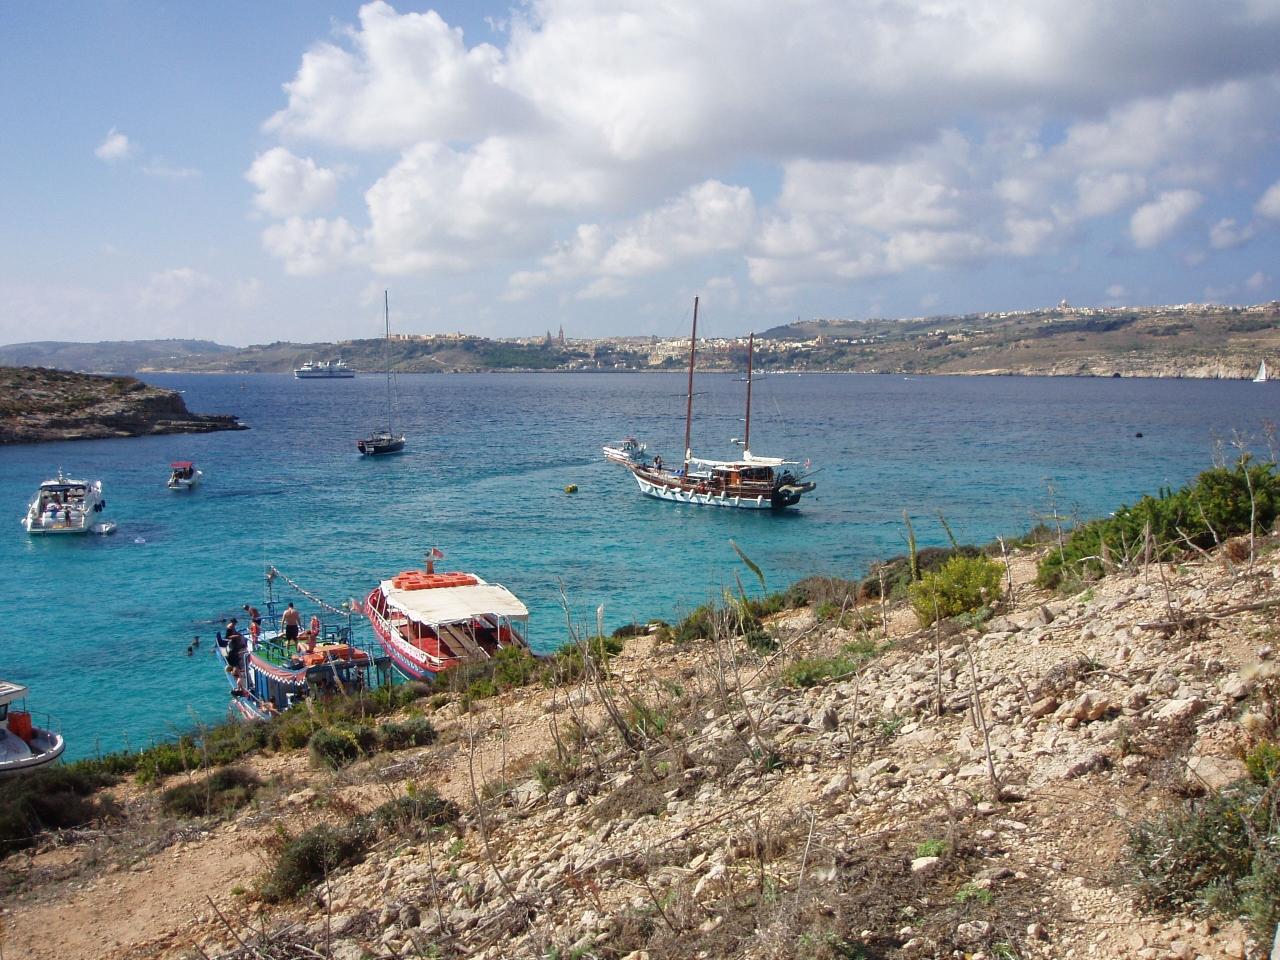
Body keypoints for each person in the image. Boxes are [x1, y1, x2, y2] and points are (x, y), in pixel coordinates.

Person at [225, 619, 248, 692]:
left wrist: (238, 634)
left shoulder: (232, 627)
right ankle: (240, 688)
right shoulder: (229, 628)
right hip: (233, 645)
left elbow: (235, 633)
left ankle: (239, 688)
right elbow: (227, 637)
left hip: (235, 646)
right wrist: (237, 636)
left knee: (236, 653)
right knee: (234, 654)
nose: (235, 624)